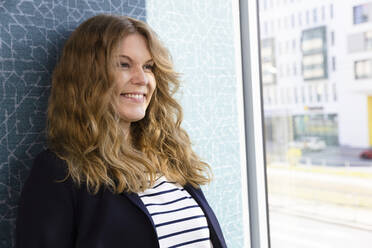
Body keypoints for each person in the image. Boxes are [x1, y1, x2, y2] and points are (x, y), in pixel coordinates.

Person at [15, 14, 227, 248]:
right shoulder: (59, 172)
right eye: (124, 64)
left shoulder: (171, 156)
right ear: (88, 76)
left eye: (148, 66)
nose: (142, 78)